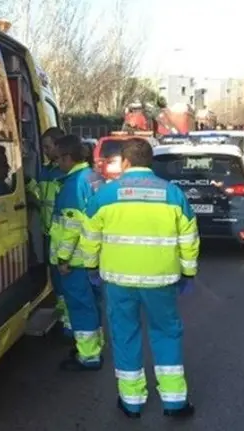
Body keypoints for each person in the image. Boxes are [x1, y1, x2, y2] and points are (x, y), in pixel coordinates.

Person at [79, 138, 198, 419]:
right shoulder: (172, 194)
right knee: (166, 334)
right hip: (161, 280)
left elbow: (89, 238)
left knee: (125, 335)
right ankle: (175, 402)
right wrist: (188, 272)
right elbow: (189, 238)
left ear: (126, 162)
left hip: (118, 281)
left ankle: (131, 402)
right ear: (150, 162)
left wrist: (90, 268)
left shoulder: (105, 195)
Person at [50, 134, 105, 370]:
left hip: (76, 259)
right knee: (91, 304)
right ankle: (92, 347)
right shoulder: (93, 177)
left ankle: (88, 356)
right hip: (92, 255)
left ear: (68, 157)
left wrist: (63, 258)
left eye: (58, 159)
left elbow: (71, 226)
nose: (56, 164)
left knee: (80, 307)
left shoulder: (73, 184)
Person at [31, 127, 72, 335]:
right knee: (57, 282)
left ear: (59, 146)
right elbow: (42, 199)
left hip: (63, 236)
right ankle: (64, 318)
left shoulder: (65, 175)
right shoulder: (46, 171)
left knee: (66, 283)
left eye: (48, 147)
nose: (45, 151)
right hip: (49, 234)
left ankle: (69, 324)